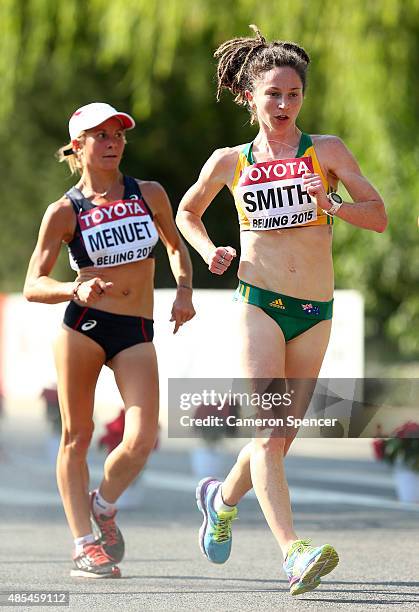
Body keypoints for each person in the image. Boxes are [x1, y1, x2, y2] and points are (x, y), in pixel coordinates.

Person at [176, 26, 387, 596]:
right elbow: (187, 213)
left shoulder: (329, 151)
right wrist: (208, 249)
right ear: (250, 97)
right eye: (273, 94)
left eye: (293, 95)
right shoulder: (231, 160)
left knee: (280, 438)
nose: (284, 105)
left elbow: (378, 215)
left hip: (316, 309)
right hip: (259, 303)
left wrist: (335, 204)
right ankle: (293, 552)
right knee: (269, 433)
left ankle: (219, 501)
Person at [24, 102, 195, 578]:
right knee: (76, 437)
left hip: (135, 330)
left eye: (117, 134)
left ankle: (103, 504)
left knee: (142, 438)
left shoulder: (150, 193)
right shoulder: (64, 211)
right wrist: (71, 287)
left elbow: (176, 248)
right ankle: (83, 544)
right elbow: (32, 284)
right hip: (83, 328)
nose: (112, 142)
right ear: (78, 147)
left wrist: (183, 291)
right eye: (100, 135)